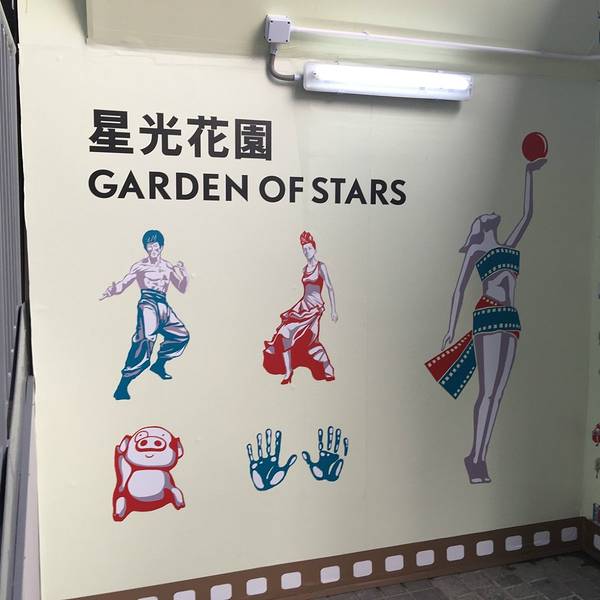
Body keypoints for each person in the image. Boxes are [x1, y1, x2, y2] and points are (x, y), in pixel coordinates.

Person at [425, 158, 546, 484]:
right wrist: (450, 328)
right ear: (479, 225)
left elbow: (527, 215)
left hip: (511, 319)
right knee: (488, 392)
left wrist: (528, 174)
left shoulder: (508, 244)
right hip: (489, 316)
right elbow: (459, 289)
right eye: (483, 214)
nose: (489, 212)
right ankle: (476, 459)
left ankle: (479, 454)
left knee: (498, 393)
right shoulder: (476, 248)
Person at [101, 230, 190, 400]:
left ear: (161, 247)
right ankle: (122, 386)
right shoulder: (140, 266)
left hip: (163, 305)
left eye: (156, 246)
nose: (153, 249)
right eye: (150, 246)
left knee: (181, 335)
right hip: (148, 303)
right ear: (146, 248)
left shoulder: (168, 266)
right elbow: (124, 283)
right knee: (145, 341)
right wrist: (112, 290)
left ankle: (159, 364)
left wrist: (184, 274)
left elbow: (182, 288)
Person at [263, 231, 338, 384]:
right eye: (304, 249)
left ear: (315, 249)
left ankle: (327, 368)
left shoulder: (321, 266)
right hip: (303, 306)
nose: (307, 252)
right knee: (287, 333)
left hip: (315, 308)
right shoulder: (304, 269)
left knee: (310, 341)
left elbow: (330, 288)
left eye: (309, 248)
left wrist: (333, 310)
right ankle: (288, 371)